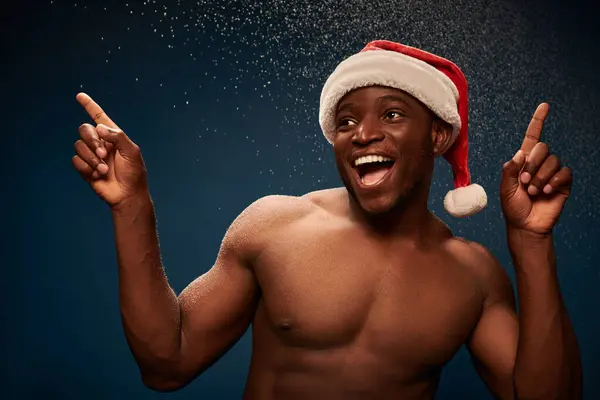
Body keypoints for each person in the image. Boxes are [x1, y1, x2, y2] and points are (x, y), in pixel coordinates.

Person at [72, 40, 582, 399]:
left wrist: (531, 241)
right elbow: (167, 365)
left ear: (437, 136)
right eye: (346, 121)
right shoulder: (275, 227)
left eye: (393, 114)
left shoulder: (472, 276)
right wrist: (132, 205)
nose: (362, 133)